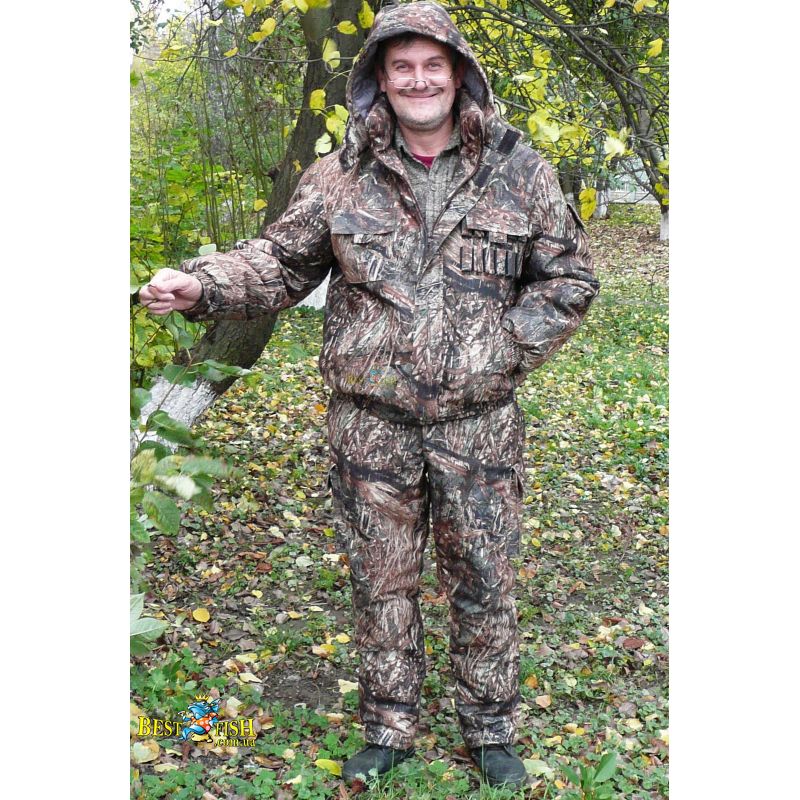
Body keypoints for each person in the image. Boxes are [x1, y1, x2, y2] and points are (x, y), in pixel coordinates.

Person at [140, 1, 599, 789]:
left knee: (485, 579)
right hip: (370, 425)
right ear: (379, 81)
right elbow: (280, 262)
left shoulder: (518, 169)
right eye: (401, 67)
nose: (418, 80)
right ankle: (389, 727)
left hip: (478, 426)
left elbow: (568, 278)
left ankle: (490, 730)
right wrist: (202, 284)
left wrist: (499, 352)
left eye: (432, 65)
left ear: (458, 73)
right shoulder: (340, 173)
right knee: (380, 581)